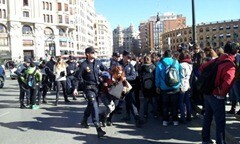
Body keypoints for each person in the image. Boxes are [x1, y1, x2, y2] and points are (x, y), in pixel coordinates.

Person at [200, 41, 237, 144]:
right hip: (217, 95)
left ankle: (205, 139)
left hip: (207, 92)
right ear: (235, 51)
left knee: (208, 117)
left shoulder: (217, 60)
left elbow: (202, 68)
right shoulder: (229, 64)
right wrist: (221, 93)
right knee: (220, 121)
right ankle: (220, 142)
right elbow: (228, 81)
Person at [77, 46, 108, 137]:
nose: (95, 54)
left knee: (90, 105)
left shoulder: (98, 62)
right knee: (95, 106)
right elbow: (78, 77)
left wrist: (104, 77)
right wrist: (76, 89)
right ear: (87, 54)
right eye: (93, 53)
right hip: (88, 88)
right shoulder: (83, 65)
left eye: (95, 52)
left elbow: (106, 70)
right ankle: (98, 128)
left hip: (97, 88)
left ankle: (84, 120)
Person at [155, 50, 182, 126]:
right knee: (174, 105)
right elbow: (180, 74)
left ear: (164, 55)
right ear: (171, 55)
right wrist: (179, 84)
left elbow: (157, 76)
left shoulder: (160, 63)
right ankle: (175, 120)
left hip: (164, 87)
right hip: (175, 86)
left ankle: (165, 121)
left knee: (165, 105)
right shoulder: (176, 62)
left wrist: (157, 86)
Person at [121, 50, 142, 127]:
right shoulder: (118, 64)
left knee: (131, 101)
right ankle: (106, 118)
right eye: (127, 57)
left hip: (127, 87)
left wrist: (125, 78)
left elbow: (133, 76)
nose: (128, 59)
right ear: (123, 56)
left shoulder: (130, 66)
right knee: (116, 103)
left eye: (129, 58)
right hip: (118, 87)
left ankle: (136, 118)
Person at [178, 51, 193, 123]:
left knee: (181, 102)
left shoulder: (180, 65)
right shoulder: (189, 65)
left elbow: (179, 76)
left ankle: (183, 118)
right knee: (187, 101)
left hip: (182, 84)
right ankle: (189, 116)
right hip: (187, 84)